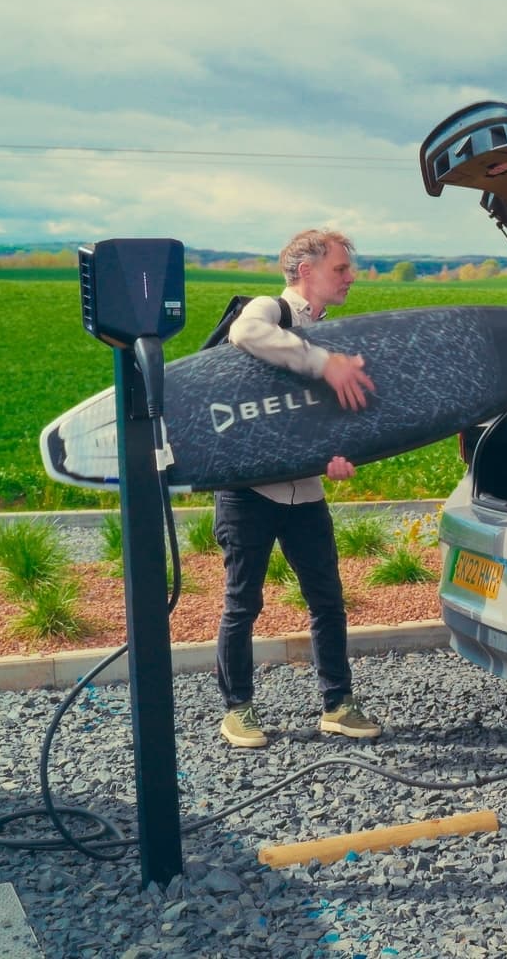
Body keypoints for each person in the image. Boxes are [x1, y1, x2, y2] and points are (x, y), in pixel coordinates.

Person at [214, 227, 383, 749]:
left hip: (305, 492)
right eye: (340, 269)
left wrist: (335, 457)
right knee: (243, 603)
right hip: (248, 490)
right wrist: (322, 362)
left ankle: (338, 704)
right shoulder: (270, 310)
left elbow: (320, 416)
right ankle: (237, 709)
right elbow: (246, 336)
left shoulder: (334, 333)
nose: (350, 278)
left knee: (328, 601)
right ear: (306, 271)